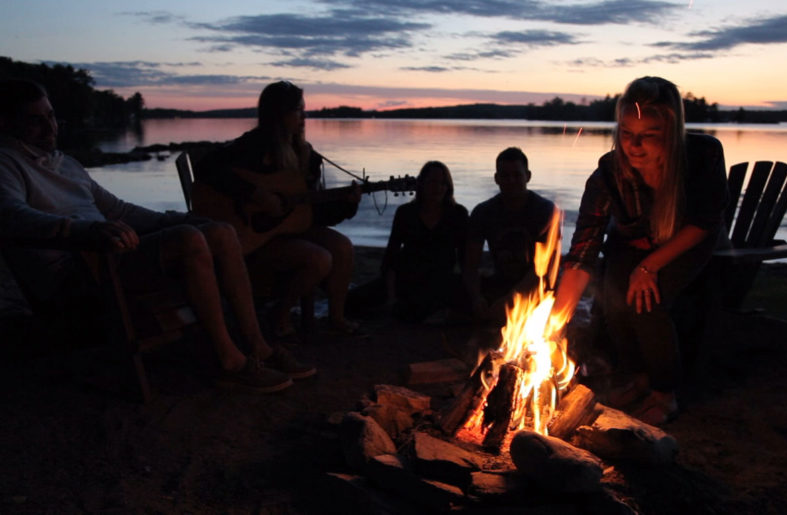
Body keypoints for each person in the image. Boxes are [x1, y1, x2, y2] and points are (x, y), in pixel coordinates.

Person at [0, 78, 315, 393]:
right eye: (35, 120)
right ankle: (229, 362)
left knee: (220, 231)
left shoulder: (66, 163)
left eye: (51, 116)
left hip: (110, 254)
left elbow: (120, 211)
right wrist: (84, 230)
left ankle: (258, 346)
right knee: (188, 239)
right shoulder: (7, 164)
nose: (50, 127)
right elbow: (12, 216)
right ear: (8, 122)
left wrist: (181, 218)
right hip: (75, 273)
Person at [549, 76, 728, 425]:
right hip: (632, 243)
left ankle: (665, 392)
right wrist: (556, 322)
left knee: (647, 300)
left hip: (689, 238)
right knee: (614, 299)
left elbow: (705, 219)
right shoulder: (607, 174)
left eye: (649, 135)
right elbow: (583, 251)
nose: (634, 145)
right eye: (627, 133)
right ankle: (639, 377)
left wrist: (648, 268)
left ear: (671, 132)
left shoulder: (703, 154)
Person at [194, 81, 361, 339]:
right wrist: (255, 194)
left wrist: (347, 205)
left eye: (304, 110)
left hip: (286, 231)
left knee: (343, 247)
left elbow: (311, 214)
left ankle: (336, 318)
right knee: (319, 259)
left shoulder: (307, 156)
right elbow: (206, 167)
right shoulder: (252, 146)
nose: (304, 117)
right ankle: (279, 317)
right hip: (251, 238)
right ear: (278, 114)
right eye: (298, 110)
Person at [348, 161, 469, 322]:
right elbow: (391, 257)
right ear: (421, 184)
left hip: (441, 282)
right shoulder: (405, 213)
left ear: (448, 187)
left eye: (443, 183)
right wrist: (391, 296)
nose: (438, 187)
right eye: (432, 181)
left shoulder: (458, 214)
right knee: (349, 302)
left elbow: (465, 259)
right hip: (405, 280)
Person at [463, 147, 556, 326]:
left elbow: (543, 269)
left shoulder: (544, 210)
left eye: (517, 175)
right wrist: (477, 298)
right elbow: (470, 265)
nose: (511, 181)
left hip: (535, 285)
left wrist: (513, 299)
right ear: (496, 178)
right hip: (500, 283)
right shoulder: (483, 212)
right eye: (505, 176)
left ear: (528, 176)